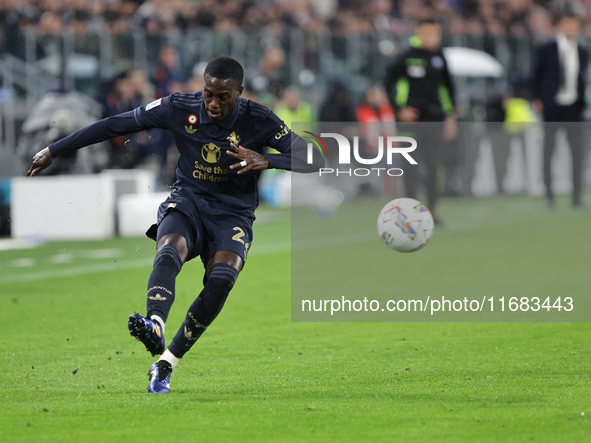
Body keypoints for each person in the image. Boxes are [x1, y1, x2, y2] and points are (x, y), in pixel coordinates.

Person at [26, 56, 323, 394]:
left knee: (222, 279)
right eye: (208, 93)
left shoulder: (259, 119)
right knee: (170, 248)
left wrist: (269, 159)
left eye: (222, 96)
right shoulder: (179, 107)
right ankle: (155, 323)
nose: (212, 102)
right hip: (189, 200)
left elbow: (315, 158)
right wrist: (54, 148)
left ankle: (166, 363)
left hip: (233, 213)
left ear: (238, 92)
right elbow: (116, 124)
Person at [384, 18, 457, 223]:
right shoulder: (405, 58)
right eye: (430, 33)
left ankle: (431, 211)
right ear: (418, 33)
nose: (434, 38)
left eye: (437, 34)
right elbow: (387, 84)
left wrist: (450, 117)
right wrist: (399, 110)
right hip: (411, 122)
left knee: (434, 165)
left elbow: (448, 89)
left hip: (434, 119)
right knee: (411, 167)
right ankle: (409, 212)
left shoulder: (440, 58)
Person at [532, 11, 588, 208]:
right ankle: (549, 195)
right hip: (552, 108)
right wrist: (537, 98)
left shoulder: (582, 51)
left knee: (578, 154)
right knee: (549, 152)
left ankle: (576, 197)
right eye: (567, 24)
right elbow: (535, 75)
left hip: (574, 108)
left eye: (574, 24)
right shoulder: (546, 49)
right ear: (559, 26)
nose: (571, 28)